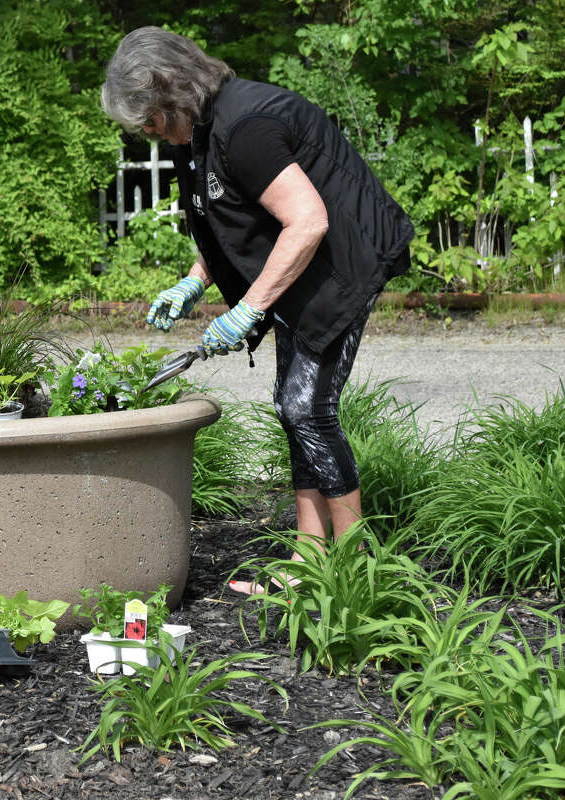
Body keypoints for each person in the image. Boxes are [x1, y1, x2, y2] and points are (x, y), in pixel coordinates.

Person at [101, 28, 414, 595]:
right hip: (304, 261)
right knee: (295, 407)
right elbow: (230, 218)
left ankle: (355, 574)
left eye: (148, 119)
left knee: (306, 407)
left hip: (344, 258)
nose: (148, 132)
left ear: (172, 92)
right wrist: (195, 281)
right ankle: (308, 562)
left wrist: (246, 310)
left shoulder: (246, 127)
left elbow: (308, 221)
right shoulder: (195, 132)